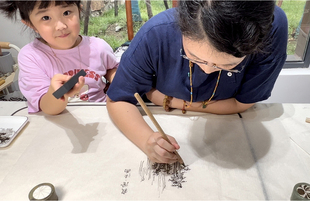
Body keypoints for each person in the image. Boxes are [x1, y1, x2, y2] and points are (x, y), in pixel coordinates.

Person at [106, 1, 288, 164]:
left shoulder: (271, 28)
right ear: (181, 24)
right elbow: (118, 99)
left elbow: (242, 103)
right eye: (193, 57)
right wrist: (146, 140)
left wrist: (170, 101)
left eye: (227, 66)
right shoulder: (158, 31)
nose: (207, 70)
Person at [0, 0, 119, 115]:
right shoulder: (31, 56)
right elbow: (47, 108)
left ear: (79, 11)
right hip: (59, 123)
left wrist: (116, 79)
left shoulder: (98, 47)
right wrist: (57, 93)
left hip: (102, 116)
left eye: (66, 13)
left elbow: (111, 68)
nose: (60, 26)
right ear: (31, 24)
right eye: (46, 18)